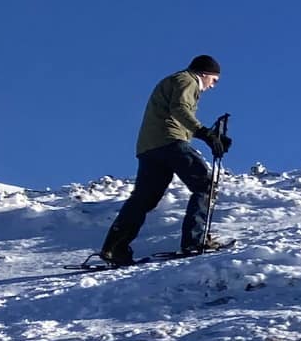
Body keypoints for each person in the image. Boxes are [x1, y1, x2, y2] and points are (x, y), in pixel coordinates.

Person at [97, 55, 229, 265]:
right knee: (205, 186)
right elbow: (179, 109)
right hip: (170, 142)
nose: (213, 86)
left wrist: (209, 136)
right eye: (214, 80)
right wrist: (205, 133)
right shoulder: (188, 80)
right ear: (204, 74)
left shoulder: (172, 81)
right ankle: (195, 241)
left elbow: (173, 113)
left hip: (149, 147)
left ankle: (114, 248)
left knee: (143, 199)